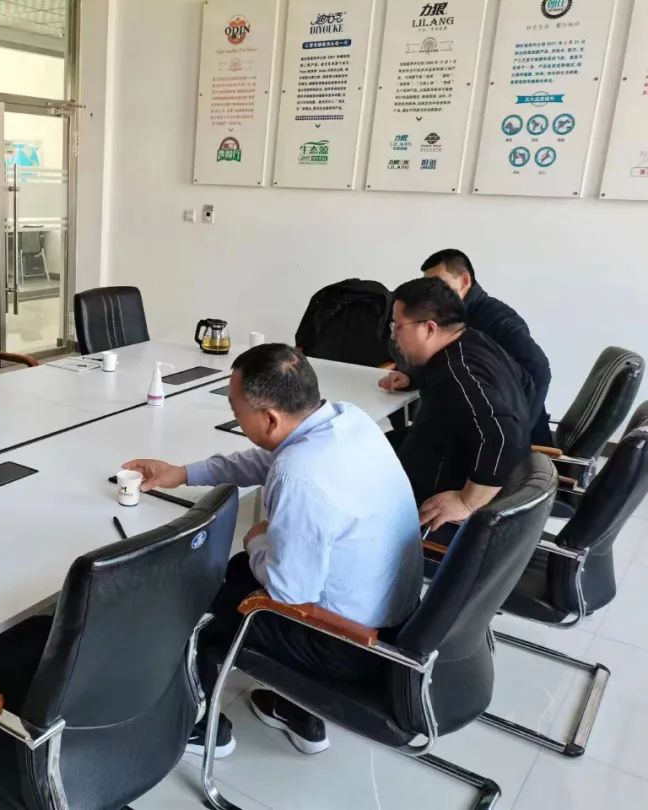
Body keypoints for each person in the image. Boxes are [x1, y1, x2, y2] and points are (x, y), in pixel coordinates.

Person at [123, 344, 421, 759]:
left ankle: (201, 727)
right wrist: (183, 473)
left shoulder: (301, 473)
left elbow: (288, 590)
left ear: (269, 418)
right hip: (393, 616)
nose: (234, 417)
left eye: (236, 410)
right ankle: (300, 714)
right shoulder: (346, 421)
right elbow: (266, 462)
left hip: (346, 643)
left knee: (197, 597)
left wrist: (256, 539)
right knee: (237, 571)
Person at [385, 277, 533, 531]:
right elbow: (524, 383)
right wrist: (413, 379)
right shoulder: (473, 341)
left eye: (398, 326)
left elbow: (502, 436)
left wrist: (467, 501)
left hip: (431, 496)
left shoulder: (456, 375)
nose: (394, 336)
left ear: (429, 328)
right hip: (448, 455)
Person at [381, 249, 553, 445]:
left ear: (464, 281)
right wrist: (412, 379)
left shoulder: (498, 320)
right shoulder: (452, 319)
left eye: (440, 283)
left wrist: (519, 433)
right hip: (467, 430)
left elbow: (539, 367)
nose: (433, 292)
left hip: (512, 439)